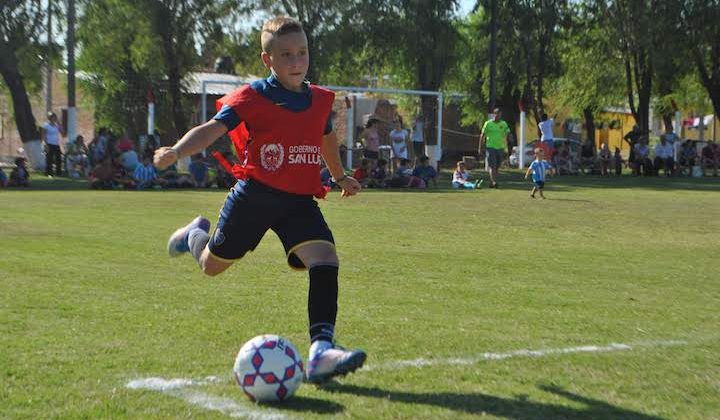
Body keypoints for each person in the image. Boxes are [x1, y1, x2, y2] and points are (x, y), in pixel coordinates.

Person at [153, 16, 365, 383]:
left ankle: (321, 351)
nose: (297, 61)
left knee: (325, 259)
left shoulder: (318, 100)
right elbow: (211, 130)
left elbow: (326, 135)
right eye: (286, 55)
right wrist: (176, 150)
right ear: (268, 60)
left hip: (299, 201)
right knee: (211, 266)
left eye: (302, 53)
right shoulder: (253, 97)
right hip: (255, 197)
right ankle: (192, 235)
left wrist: (339, 174)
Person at [480, 108, 510, 188]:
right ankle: (494, 181)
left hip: (500, 147)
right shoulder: (488, 123)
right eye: (497, 114)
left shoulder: (503, 124)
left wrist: (507, 146)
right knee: (492, 166)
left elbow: (507, 134)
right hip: (490, 147)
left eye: (499, 114)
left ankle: (492, 182)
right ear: (494, 114)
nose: (498, 116)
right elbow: (482, 135)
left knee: (497, 166)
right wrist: (480, 147)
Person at [43, 112, 64, 176]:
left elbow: (63, 133)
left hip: (56, 144)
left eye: (55, 117)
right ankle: (48, 172)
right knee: (49, 159)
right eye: (53, 117)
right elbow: (44, 135)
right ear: (50, 118)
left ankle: (58, 173)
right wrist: (46, 144)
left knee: (58, 159)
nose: (55, 118)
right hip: (49, 143)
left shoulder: (57, 125)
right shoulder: (46, 125)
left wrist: (59, 124)